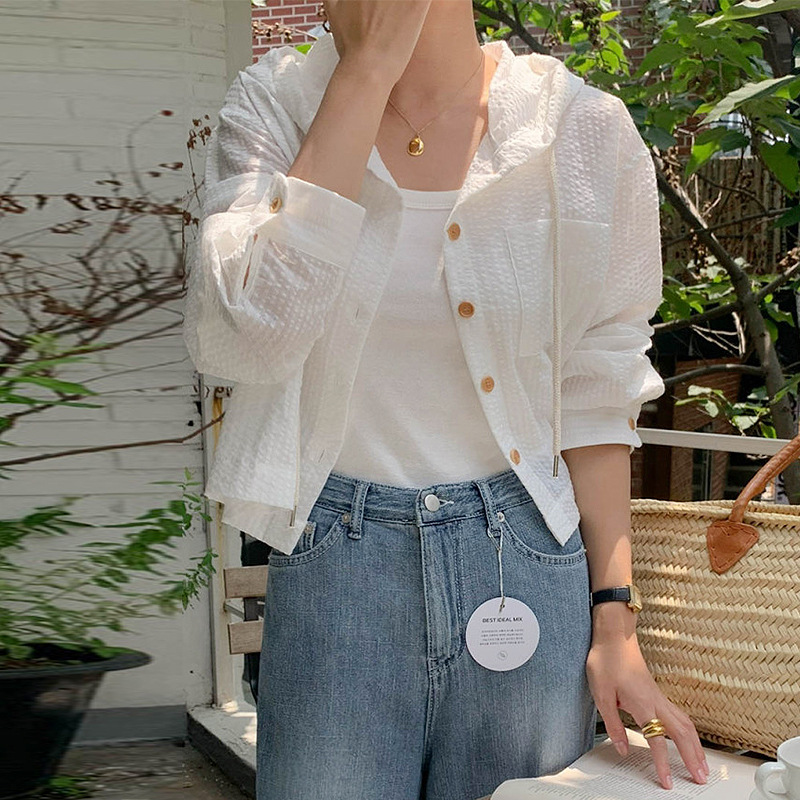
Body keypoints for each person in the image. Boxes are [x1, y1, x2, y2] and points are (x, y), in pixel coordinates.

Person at [182, 1, 711, 798]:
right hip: (337, 562)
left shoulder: (581, 129)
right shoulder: (277, 105)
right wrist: (362, 76)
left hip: (525, 556)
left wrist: (616, 620)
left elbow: (598, 390)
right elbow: (243, 338)